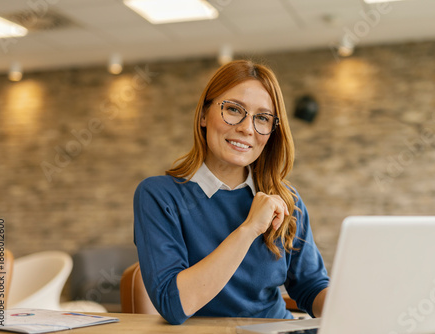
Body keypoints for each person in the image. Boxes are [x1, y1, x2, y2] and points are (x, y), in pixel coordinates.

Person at [133, 60, 329, 325]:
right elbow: (173, 304)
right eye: (234, 110)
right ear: (203, 115)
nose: (247, 128)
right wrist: (249, 229)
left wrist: (354, 303)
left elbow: (311, 287)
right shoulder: (159, 196)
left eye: (262, 118)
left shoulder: (285, 199)